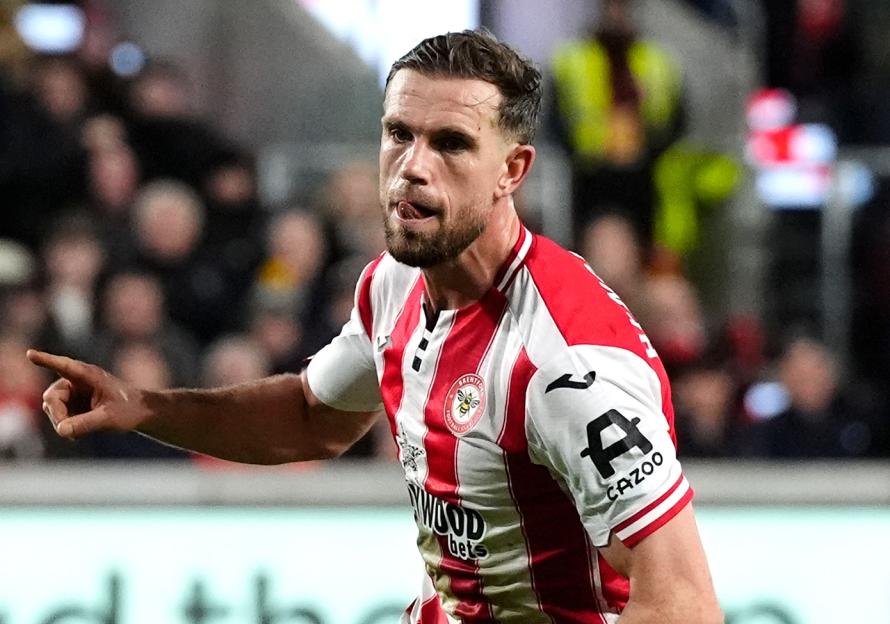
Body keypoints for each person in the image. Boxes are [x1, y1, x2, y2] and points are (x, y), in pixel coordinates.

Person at [27, 29, 721, 623]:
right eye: (399, 134)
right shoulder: (396, 282)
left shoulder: (565, 365)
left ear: (511, 170)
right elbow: (311, 417)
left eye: (450, 144)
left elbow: (683, 604)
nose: (412, 168)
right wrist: (145, 406)